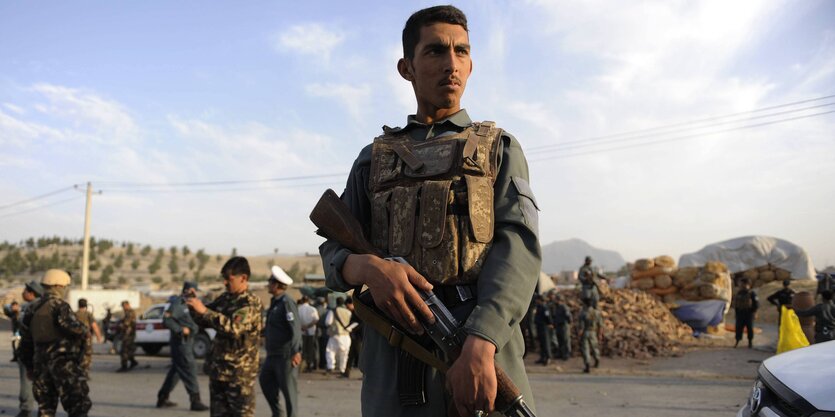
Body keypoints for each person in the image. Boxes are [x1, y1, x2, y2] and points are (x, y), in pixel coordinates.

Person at [319, 5, 541, 416]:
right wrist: (368, 269)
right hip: (393, 362)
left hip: (480, 355)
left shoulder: (499, 149)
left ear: (471, 65)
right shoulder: (373, 159)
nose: (451, 64)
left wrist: (482, 341)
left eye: (461, 52)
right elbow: (333, 253)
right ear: (407, 67)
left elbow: (519, 251)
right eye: (436, 51)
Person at [187, 256, 263, 417]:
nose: (225, 283)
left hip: (239, 375)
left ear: (243, 278)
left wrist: (205, 311)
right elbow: (204, 319)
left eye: (229, 279)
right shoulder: (225, 298)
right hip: (219, 372)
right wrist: (193, 305)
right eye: (224, 279)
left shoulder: (250, 303)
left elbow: (234, 328)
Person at [19, 269, 91, 417]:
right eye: (65, 287)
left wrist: (29, 367)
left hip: (40, 366)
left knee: (45, 409)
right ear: (58, 286)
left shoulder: (32, 308)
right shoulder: (59, 306)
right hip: (63, 366)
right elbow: (77, 330)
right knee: (78, 407)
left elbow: (25, 343)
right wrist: (83, 328)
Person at [156, 281, 209, 411]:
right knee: (190, 368)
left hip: (188, 341)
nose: (196, 293)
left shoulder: (191, 303)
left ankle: (162, 397)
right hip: (181, 342)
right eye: (194, 290)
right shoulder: (178, 303)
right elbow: (167, 319)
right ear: (188, 290)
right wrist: (180, 330)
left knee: (176, 371)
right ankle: (195, 400)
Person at [259, 266, 302, 417]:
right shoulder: (275, 302)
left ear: (277, 284)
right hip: (272, 354)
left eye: (270, 281)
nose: (268, 284)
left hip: (285, 355)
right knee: (265, 382)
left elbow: (295, 328)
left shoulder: (286, 302)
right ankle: (278, 414)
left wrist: (296, 351)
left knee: (289, 393)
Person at [12, 281, 43, 417]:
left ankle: (26, 408)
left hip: (29, 348)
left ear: (31, 293)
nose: (23, 293)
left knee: (26, 379)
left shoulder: (29, 307)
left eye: (25, 290)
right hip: (42, 349)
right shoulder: (43, 305)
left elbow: (23, 324)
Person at [324, 297, 353, 375]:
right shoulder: (348, 312)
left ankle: (330, 367)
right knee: (344, 353)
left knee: (330, 351)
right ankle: (342, 369)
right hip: (346, 335)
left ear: (336, 302)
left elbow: (328, 322)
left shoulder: (332, 311)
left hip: (335, 334)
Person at [75, 298, 103, 375]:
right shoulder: (88, 314)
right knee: (87, 354)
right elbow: (94, 326)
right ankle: (84, 371)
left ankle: (77, 370)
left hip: (76, 337)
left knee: (77, 353)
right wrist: (99, 337)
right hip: (86, 337)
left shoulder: (74, 314)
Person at [579, 297, 603, 373]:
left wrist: (579, 335)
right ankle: (597, 360)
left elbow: (581, 327)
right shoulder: (597, 313)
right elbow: (600, 325)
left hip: (586, 332)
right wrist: (600, 334)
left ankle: (587, 364)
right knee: (594, 347)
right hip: (593, 332)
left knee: (585, 349)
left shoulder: (583, 313)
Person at [733, 279, 759, 349]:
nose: (742, 285)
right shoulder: (739, 293)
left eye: (743, 284)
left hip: (749, 313)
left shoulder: (752, 293)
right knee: (738, 327)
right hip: (740, 313)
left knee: (749, 328)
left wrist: (755, 312)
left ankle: (750, 342)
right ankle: (737, 341)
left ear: (748, 285)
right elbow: (736, 304)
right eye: (741, 284)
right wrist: (736, 313)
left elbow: (756, 304)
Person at [297, 296, 320, 372]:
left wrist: (303, 327)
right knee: (310, 349)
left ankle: (302, 365)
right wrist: (308, 326)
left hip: (301, 332)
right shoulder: (312, 309)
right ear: (308, 301)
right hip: (311, 332)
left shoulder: (298, 309)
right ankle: (309, 365)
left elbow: (295, 320)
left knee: (302, 349)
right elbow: (316, 320)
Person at [342, 297, 364, 378]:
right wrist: (347, 327)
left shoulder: (357, 312)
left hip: (359, 338)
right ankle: (346, 373)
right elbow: (352, 322)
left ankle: (364, 374)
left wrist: (351, 328)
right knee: (351, 355)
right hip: (354, 338)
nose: (347, 307)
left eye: (347, 306)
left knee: (360, 356)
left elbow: (361, 323)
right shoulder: (354, 312)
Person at [116, 300, 138, 372]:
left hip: (128, 334)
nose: (123, 308)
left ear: (127, 305)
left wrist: (119, 326)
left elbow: (126, 323)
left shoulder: (129, 312)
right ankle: (133, 362)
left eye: (123, 306)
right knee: (128, 350)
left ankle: (124, 366)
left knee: (124, 350)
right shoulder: (129, 312)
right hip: (129, 334)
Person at [550, 293, 572, 360]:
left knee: (566, 340)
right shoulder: (556, 307)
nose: (555, 301)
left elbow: (569, 317)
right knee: (560, 340)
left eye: (556, 300)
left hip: (563, 326)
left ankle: (567, 354)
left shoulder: (564, 307)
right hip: (558, 326)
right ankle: (561, 353)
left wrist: (568, 323)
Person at [532, 295, 553, 365]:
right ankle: (542, 357)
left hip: (544, 327)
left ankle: (548, 357)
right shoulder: (539, 307)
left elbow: (547, 316)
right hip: (539, 326)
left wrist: (549, 323)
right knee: (541, 343)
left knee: (546, 343)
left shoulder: (544, 307)